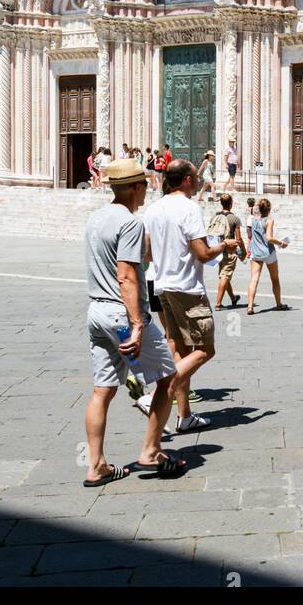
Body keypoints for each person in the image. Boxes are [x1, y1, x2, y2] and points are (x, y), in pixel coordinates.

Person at [82, 156, 184, 485]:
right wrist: (138, 324)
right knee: (168, 377)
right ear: (137, 187)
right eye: (145, 187)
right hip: (121, 314)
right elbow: (126, 276)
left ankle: (96, 465)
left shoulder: (95, 219)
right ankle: (151, 452)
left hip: (96, 312)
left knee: (102, 391)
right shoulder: (129, 222)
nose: (147, 193)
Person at [143, 158, 216, 433]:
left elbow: (147, 253)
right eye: (195, 175)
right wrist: (223, 246)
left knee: (180, 351)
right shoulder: (189, 208)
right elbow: (203, 253)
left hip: (161, 286)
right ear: (187, 180)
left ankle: (184, 416)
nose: (198, 179)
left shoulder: (154, 209)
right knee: (204, 350)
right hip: (187, 288)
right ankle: (155, 395)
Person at [246, 197, 289, 314]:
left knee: (254, 279)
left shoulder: (253, 220)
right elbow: (269, 238)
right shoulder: (269, 220)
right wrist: (281, 243)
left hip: (256, 252)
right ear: (269, 210)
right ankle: (278, 304)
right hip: (268, 252)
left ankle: (250, 306)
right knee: (275, 279)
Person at [209, 193, 246, 309]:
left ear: (221, 203)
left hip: (217, 249)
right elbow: (238, 239)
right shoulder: (234, 219)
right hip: (229, 250)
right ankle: (218, 303)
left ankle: (233, 298)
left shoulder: (214, 216)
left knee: (224, 274)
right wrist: (243, 252)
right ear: (231, 203)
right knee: (225, 275)